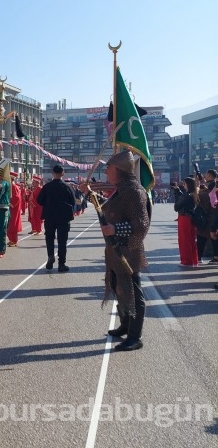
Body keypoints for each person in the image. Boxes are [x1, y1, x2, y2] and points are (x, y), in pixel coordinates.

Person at [80, 150, 151, 351]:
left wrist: (115, 229)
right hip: (115, 250)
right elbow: (109, 209)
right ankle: (126, 325)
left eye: (109, 168)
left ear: (119, 170)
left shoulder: (133, 191)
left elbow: (142, 224)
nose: (107, 172)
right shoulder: (120, 190)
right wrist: (90, 194)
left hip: (128, 250)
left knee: (133, 292)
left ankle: (135, 337)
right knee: (118, 287)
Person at [36, 165, 76, 272]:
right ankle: (61, 264)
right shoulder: (67, 187)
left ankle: (50, 256)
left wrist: (48, 203)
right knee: (62, 241)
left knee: (49, 238)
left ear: (52, 173)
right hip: (63, 217)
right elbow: (73, 201)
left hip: (49, 216)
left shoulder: (47, 187)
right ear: (63, 173)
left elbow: (39, 200)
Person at [173, 177, 199, 266]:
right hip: (191, 218)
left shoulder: (187, 195)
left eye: (184, 183)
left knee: (184, 240)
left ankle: (186, 261)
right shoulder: (193, 194)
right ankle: (193, 260)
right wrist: (177, 191)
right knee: (191, 240)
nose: (183, 185)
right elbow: (183, 198)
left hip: (184, 218)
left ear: (187, 184)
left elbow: (176, 206)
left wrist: (176, 194)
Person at [6, 171, 23, 247]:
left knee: (12, 225)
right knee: (8, 225)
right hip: (9, 208)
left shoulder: (14, 187)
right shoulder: (10, 186)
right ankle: (11, 240)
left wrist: (9, 203)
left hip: (13, 209)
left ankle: (14, 240)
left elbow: (17, 198)